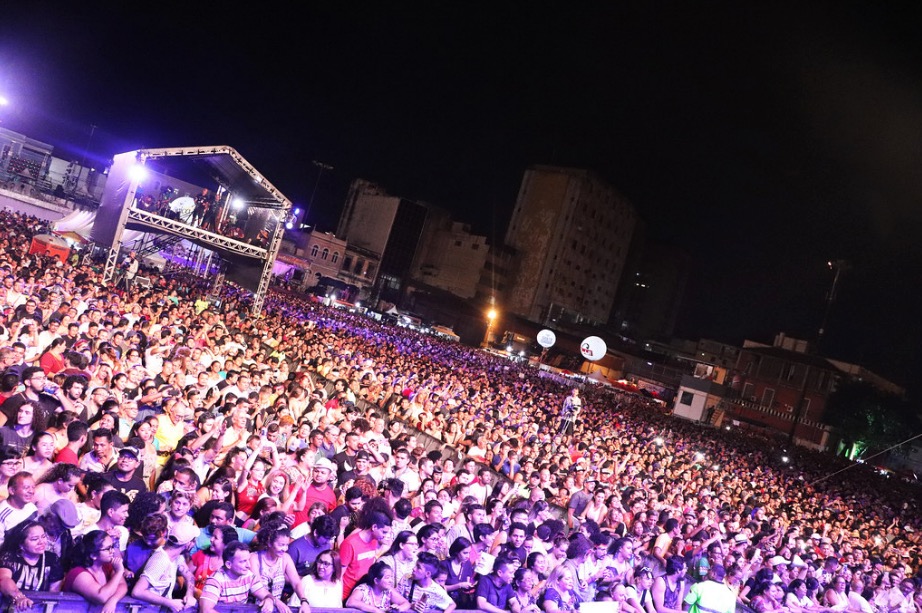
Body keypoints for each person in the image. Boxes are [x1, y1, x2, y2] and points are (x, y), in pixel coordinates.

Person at [131, 521, 199, 612]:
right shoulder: (160, 560)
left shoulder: (177, 556)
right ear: (188, 544)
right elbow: (137, 592)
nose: (194, 543)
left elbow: (189, 576)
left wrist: (189, 594)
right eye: (193, 541)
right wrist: (169, 603)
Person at [199, 540, 279, 613]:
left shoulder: (249, 576)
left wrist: (269, 599)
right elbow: (206, 610)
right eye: (243, 561)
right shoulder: (215, 580)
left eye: (248, 560)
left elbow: (264, 593)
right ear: (229, 564)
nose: (248, 565)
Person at [0, 520, 64, 610]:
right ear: (21, 544)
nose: (41, 542)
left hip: (39, 608)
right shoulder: (9, 557)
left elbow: (54, 591)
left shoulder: (52, 560)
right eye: (34, 539)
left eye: (43, 536)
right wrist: (18, 597)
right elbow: (4, 579)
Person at [248, 524, 313, 613]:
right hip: (254, 608)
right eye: (281, 545)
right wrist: (276, 601)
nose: (285, 549)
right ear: (269, 543)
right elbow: (257, 587)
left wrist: (304, 600)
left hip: (276, 609)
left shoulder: (285, 558)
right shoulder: (254, 558)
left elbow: (296, 582)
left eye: (286, 545)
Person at [62, 529, 129, 613]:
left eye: (112, 546)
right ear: (93, 555)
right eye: (108, 549)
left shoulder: (108, 566)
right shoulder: (78, 573)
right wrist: (119, 572)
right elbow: (101, 597)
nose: (113, 551)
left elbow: (122, 585)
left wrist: (113, 600)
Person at [341, 508, 393, 598]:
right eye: (383, 532)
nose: (385, 536)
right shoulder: (350, 543)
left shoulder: (374, 541)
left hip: (362, 593)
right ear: (374, 527)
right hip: (346, 595)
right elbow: (339, 575)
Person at [189, 524, 238, 598]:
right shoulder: (201, 555)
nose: (211, 539)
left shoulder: (233, 565)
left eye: (215, 538)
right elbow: (184, 577)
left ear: (226, 544)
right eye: (212, 536)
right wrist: (194, 591)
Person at [345, 559, 411, 613]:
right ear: (376, 580)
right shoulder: (363, 589)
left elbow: (406, 603)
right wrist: (375, 610)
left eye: (391, 577)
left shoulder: (389, 591)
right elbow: (350, 602)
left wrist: (399, 608)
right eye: (387, 578)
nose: (391, 580)